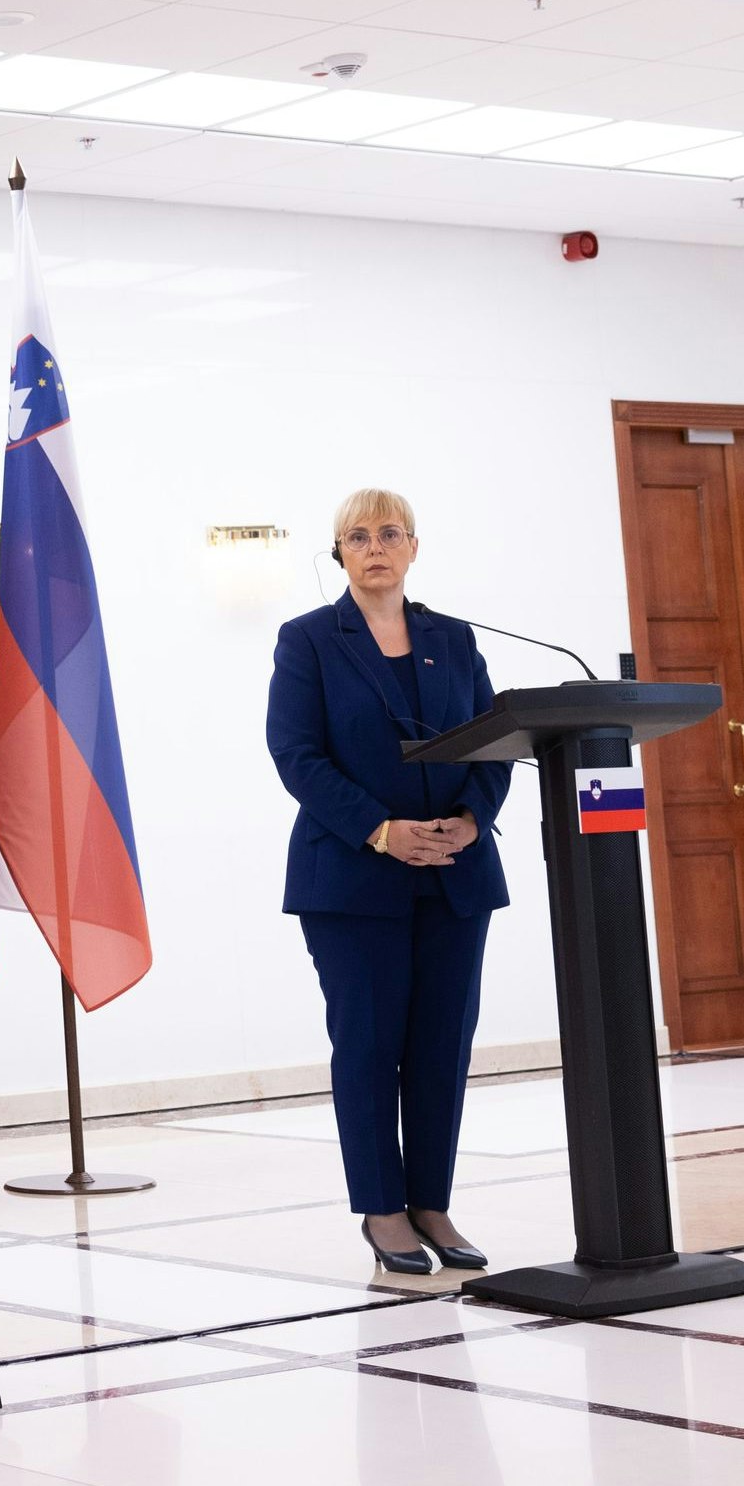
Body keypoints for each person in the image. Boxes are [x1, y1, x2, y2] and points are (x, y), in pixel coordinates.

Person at [265, 487, 507, 1280]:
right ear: (339, 552)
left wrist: (471, 819)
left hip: (454, 873)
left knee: (442, 1043)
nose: (376, 547)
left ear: (413, 548)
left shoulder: (454, 638)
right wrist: (380, 829)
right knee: (369, 1045)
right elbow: (296, 754)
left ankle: (431, 1203)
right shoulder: (308, 639)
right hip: (352, 878)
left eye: (391, 533)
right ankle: (382, 1209)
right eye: (359, 536)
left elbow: (494, 740)